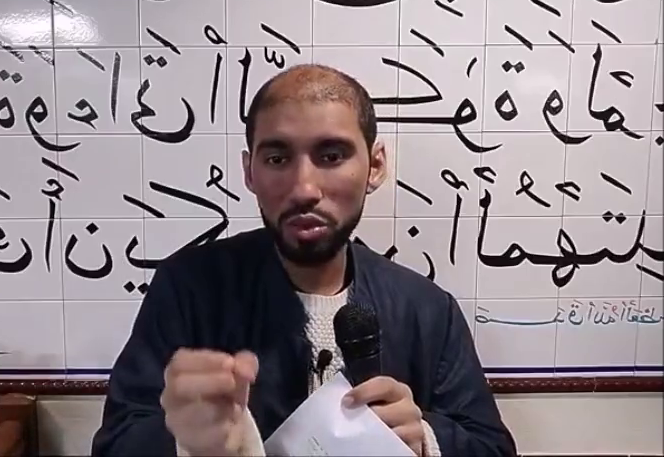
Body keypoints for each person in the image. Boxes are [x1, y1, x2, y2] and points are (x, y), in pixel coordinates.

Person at [91, 64, 517, 456]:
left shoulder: (427, 309)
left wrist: (424, 437)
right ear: (250, 172)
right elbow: (116, 443)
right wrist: (183, 439)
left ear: (375, 165)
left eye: (331, 157)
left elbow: (492, 446)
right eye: (277, 159)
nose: (304, 189)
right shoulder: (188, 288)